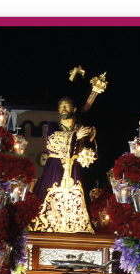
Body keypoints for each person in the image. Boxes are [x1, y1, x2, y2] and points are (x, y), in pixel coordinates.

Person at [28, 95, 98, 233]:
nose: (63, 109)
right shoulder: (52, 125)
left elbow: (87, 149)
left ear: (74, 109)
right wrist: (75, 137)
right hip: (55, 166)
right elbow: (52, 140)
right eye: (61, 107)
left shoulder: (80, 127)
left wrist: (89, 139)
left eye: (66, 106)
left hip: (74, 168)